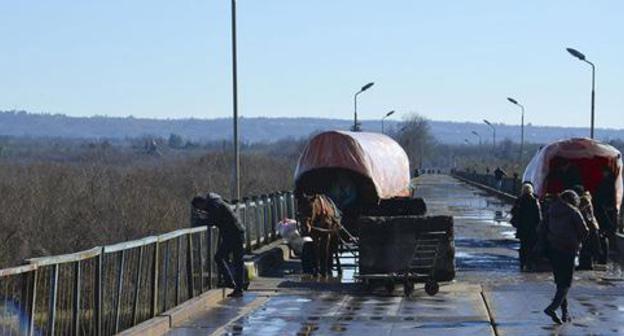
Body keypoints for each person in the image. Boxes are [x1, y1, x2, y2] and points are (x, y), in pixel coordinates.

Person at [543, 190, 589, 324]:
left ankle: (565, 313)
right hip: (568, 249)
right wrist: (577, 241)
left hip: (553, 249)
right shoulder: (573, 212)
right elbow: (585, 230)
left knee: (560, 282)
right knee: (566, 283)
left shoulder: (551, 210)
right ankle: (552, 308)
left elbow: (542, 227)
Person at [191, 193, 246, 298]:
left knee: (223, 257)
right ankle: (235, 285)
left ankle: (233, 284)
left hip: (233, 233)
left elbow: (214, 220)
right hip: (235, 231)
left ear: (201, 203)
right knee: (232, 259)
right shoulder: (216, 201)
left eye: (199, 208)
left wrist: (199, 221)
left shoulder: (213, 204)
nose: (201, 210)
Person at [510, 183, 541, 271]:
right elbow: (538, 216)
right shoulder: (534, 201)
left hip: (522, 227)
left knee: (523, 246)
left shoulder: (519, 200)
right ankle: (529, 263)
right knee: (531, 246)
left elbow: (513, 212)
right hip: (532, 228)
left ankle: (522, 262)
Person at [575, 189, 601, 270]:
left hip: (589, 226)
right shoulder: (587, 199)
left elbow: (580, 211)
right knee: (587, 246)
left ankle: (586, 264)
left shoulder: (584, 200)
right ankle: (587, 264)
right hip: (591, 226)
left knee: (586, 246)